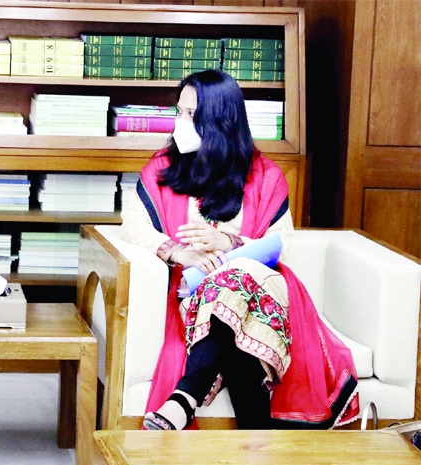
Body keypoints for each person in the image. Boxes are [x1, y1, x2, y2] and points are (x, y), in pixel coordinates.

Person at [121, 70, 359, 430]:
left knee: (234, 281)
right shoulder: (162, 168)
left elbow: (282, 241)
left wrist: (228, 243)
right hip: (194, 289)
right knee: (233, 321)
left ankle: (184, 398)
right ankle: (256, 436)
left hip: (261, 286)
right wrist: (177, 252)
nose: (179, 123)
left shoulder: (265, 175)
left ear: (220, 123)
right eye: (179, 112)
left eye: (191, 115)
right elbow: (133, 225)